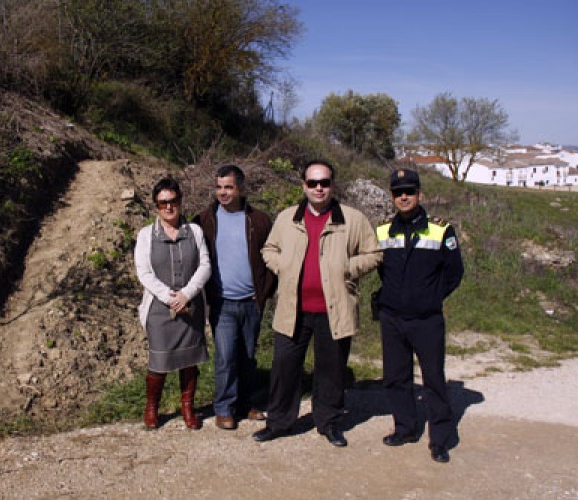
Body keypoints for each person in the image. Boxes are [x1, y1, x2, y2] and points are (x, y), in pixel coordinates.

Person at [252, 159, 382, 446]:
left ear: (333, 185)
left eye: (325, 182)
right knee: (284, 369)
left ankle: (329, 422)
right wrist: (283, 265)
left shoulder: (353, 219)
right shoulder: (287, 218)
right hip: (293, 310)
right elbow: (268, 250)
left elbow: (374, 254)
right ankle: (279, 423)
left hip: (334, 311)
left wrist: (347, 267)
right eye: (313, 183)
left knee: (331, 373)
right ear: (304, 186)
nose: (319, 188)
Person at [375, 168, 464, 463]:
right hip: (392, 318)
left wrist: (430, 297)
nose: (404, 197)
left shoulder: (441, 229)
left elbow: (454, 273)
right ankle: (405, 428)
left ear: (419, 194)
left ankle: (441, 438)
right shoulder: (383, 230)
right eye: (398, 192)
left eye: (409, 191)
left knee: (434, 379)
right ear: (391, 196)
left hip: (427, 320)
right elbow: (381, 270)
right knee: (396, 377)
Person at [193, 165, 276, 430]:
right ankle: (224, 408)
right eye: (219, 187)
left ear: (240, 188)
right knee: (226, 356)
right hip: (222, 302)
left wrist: (264, 291)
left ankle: (246, 404)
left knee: (248, 356)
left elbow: (272, 258)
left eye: (228, 187)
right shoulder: (204, 220)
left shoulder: (260, 220)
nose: (223, 192)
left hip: (252, 301)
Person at [134, 178, 211, 430]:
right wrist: (169, 297)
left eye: (173, 201)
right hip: (159, 309)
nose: (168, 207)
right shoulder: (146, 235)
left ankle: (188, 408)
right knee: (159, 362)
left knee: (189, 362)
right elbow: (144, 273)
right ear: (156, 206)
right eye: (162, 203)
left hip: (191, 307)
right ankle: (152, 407)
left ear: (180, 201)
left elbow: (205, 265)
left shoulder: (195, 231)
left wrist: (187, 294)